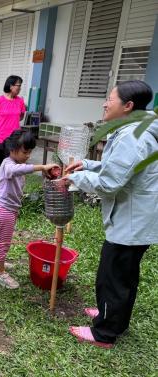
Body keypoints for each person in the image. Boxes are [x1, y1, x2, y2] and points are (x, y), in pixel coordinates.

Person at [64, 80, 158, 348]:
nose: (105, 103)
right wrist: (90, 164)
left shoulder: (132, 136)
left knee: (113, 274)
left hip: (132, 220)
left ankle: (104, 332)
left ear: (128, 106)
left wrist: (77, 178)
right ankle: (114, 317)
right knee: (125, 274)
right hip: (138, 216)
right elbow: (119, 168)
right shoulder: (136, 127)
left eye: (110, 99)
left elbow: (110, 183)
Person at [0, 130, 58, 288]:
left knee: (2, 240)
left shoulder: (18, 164)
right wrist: (41, 166)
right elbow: (13, 171)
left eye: (30, 152)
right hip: (4, 210)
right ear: (12, 149)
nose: (28, 155)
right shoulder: (8, 164)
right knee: (4, 243)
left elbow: (20, 171)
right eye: (25, 152)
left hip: (9, 209)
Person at [0, 75, 26, 194]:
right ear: (10, 86)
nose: (19, 88)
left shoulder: (20, 101)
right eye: (18, 85)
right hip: (0, 138)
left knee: (12, 163)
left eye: (20, 86)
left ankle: (8, 187)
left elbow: (21, 116)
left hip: (14, 139)